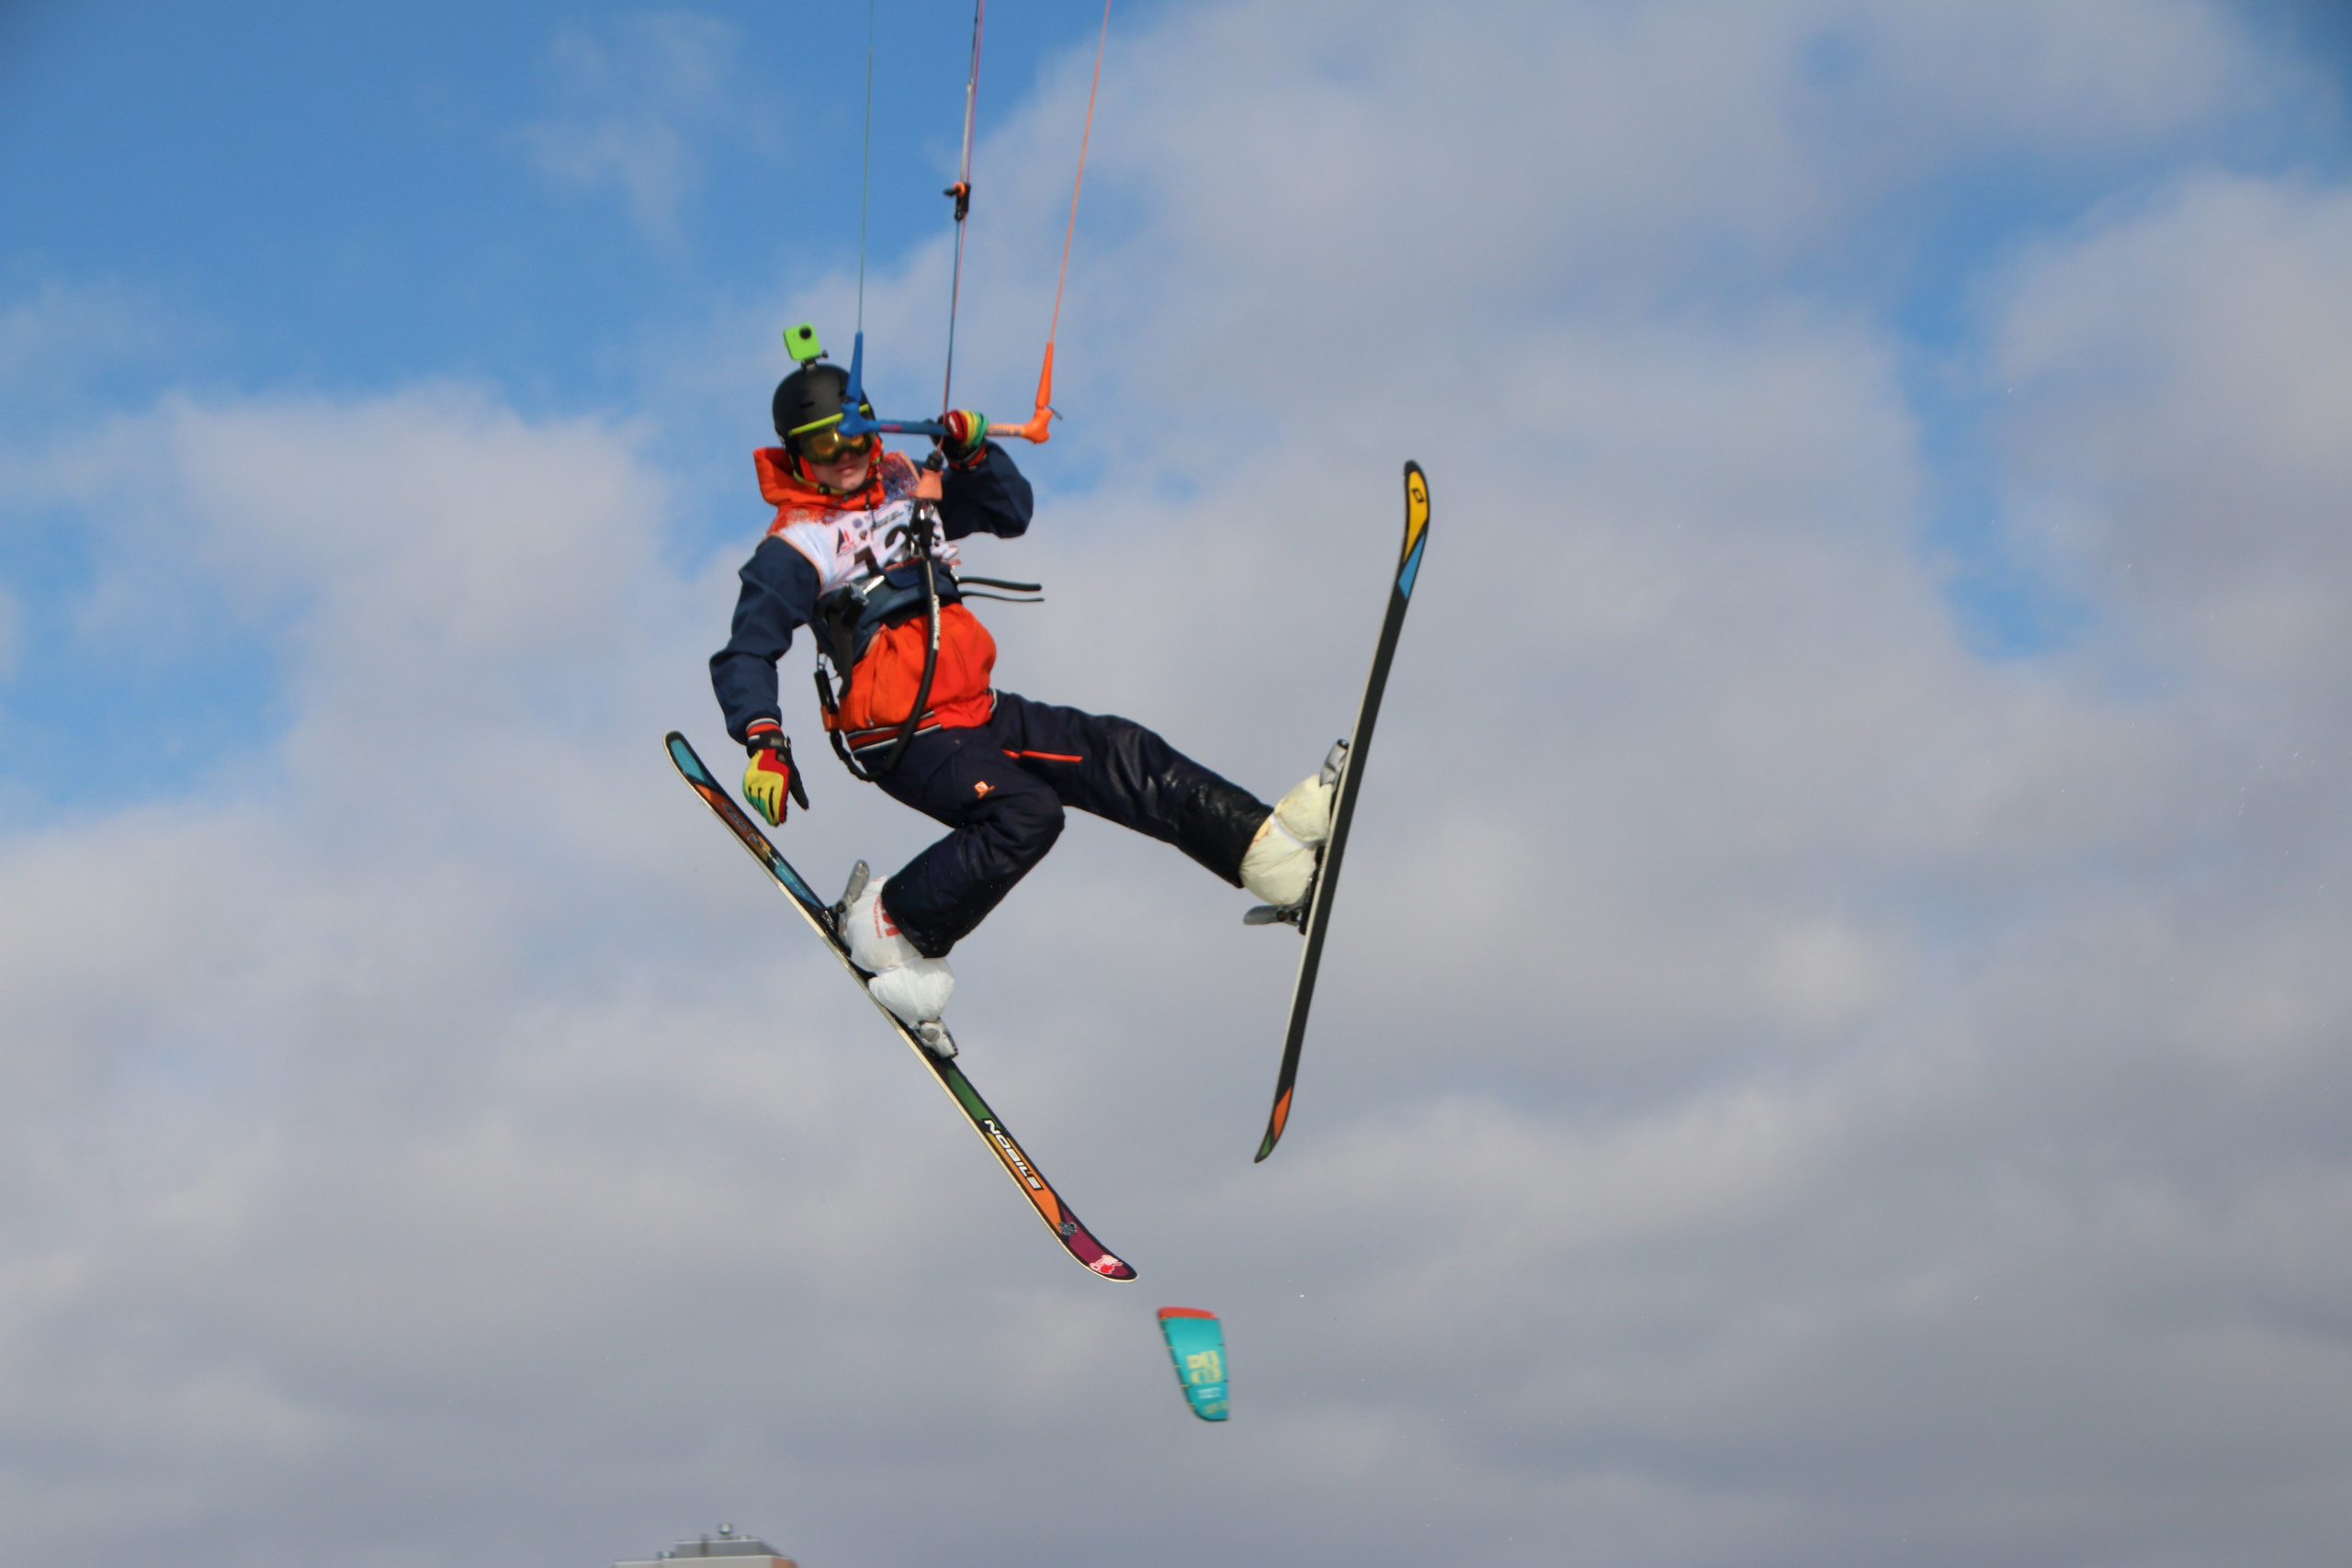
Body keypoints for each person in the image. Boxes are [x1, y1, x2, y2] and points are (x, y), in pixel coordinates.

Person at [710, 346, 1330, 1052]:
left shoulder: (908, 487)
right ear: (795, 457)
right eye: (823, 446)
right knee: (1025, 812)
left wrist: (974, 455)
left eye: (855, 436)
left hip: (976, 708)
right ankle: (889, 924)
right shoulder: (797, 544)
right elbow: (747, 650)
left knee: (1116, 749)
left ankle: (1267, 854)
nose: (844, 455)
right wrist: (764, 738)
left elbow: (1010, 511)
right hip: (903, 732)